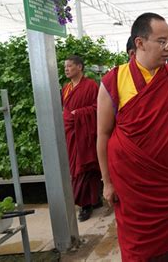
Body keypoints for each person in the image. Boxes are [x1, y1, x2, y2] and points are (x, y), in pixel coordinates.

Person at [96, 13, 168, 261]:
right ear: (139, 43)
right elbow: (103, 134)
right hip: (134, 191)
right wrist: (107, 182)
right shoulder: (114, 81)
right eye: (161, 41)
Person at [61, 55, 101, 222]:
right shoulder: (66, 88)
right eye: (65, 67)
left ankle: (86, 204)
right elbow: (65, 109)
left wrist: (79, 113)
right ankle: (93, 199)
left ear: (79, 67)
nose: (66, 69)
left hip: (85, 132)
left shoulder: (90, 86)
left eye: (69, 66)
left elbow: (97, 107)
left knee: (86, 168)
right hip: (71, 132)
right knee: (75, 167)